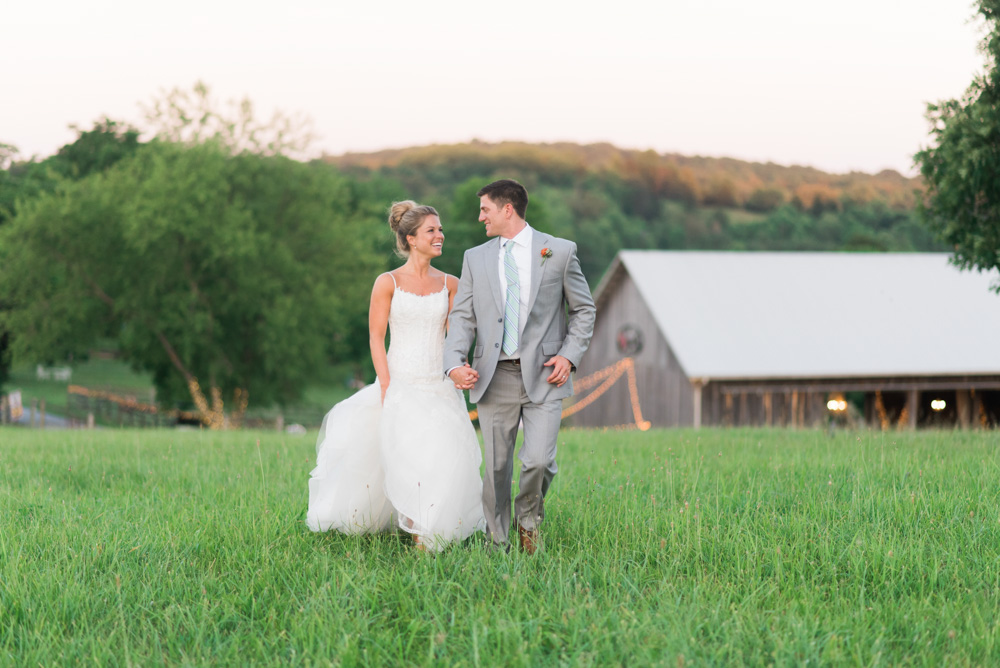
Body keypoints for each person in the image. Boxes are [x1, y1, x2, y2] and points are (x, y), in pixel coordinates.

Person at [306, 201, 485, 551]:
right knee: (405, 456)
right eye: (432, 230)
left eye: (440, 229)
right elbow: (375, 336)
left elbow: (457, 337)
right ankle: (415, 525)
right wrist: (386, 384)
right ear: (410, 238)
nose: (440, 235)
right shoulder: (386, 282)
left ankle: (427, 531)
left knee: (439, 456)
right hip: (399, 381)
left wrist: (459, 367)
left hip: (438, 384)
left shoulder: (452, 284)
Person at [444, 179, 596, 554]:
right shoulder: (475, 258)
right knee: (496, 468)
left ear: (507, 209)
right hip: (493, 375)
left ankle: (528, 523)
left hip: (546, 374)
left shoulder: (558, 251)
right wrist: (454, 363)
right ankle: (497, 541)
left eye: (485, 210)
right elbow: (463, 317)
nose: (480, 217)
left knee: (539, 462)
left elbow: (583, 310)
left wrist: (569, 355)